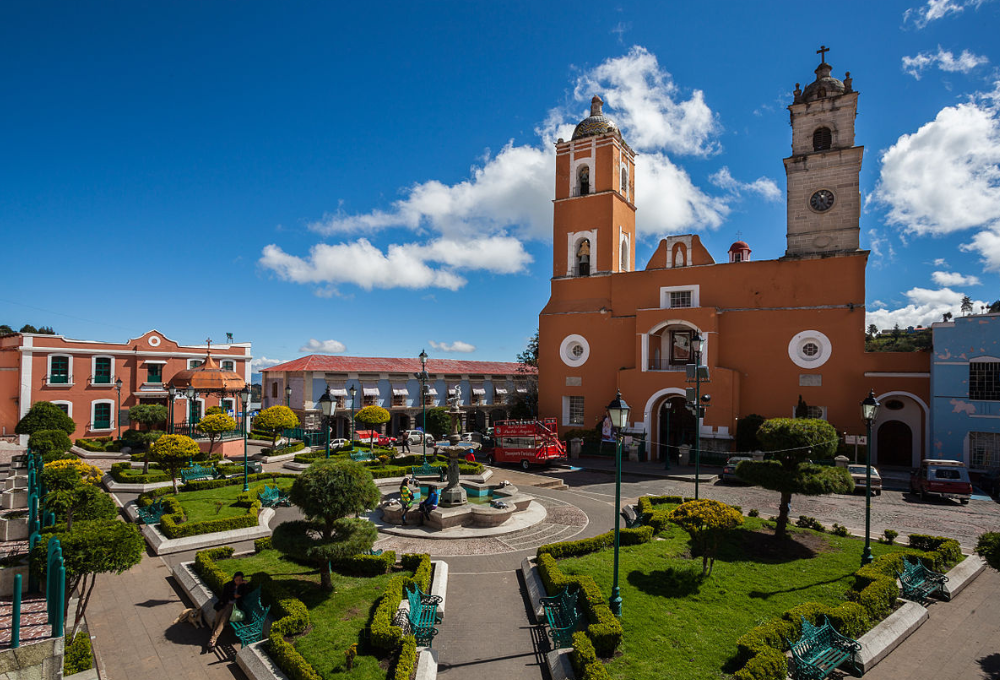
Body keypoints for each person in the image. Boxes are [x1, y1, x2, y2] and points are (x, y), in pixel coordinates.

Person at [207, 571, 248, 650]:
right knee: (217, 619)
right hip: (224, 604)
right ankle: (213, 639)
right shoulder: (229, 585)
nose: (238, 581)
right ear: (234, 579)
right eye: (236, 580)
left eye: (240, 580)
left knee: (222, 621)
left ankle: (212, 640)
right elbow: (224, 597)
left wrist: (244, 584)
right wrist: (233, 596)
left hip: (233, 607)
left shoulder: (242, 587)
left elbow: (244, 594)